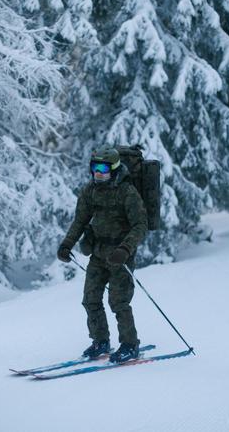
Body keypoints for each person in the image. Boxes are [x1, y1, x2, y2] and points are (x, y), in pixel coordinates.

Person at [57, 147, 148, 363]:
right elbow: (80, 220)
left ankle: (129, 345)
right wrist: (66, 244)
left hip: (120, 255)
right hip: (98, 254)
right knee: (90, 299)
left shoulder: (127, 192)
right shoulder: (90, 191)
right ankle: (101, 341)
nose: (98, 173)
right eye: (95, 168)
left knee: (118, 302)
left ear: (114, 169)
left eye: (103, 168)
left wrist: (125, 249)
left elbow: (140, 225)